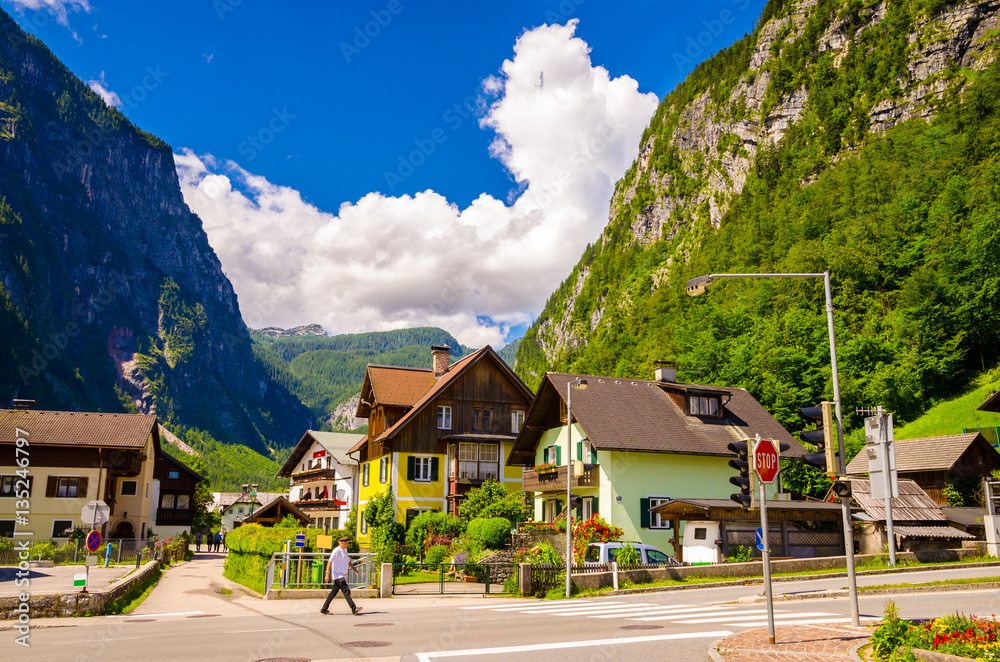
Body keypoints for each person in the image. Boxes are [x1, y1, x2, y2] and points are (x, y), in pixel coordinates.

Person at [320, 536, 361, 616]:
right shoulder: (336, 551)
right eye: (347, 543)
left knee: (333, 593)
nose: (348, 544)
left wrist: (354, 569)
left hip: (342, 576)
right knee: (346, 591)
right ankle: (354, 608)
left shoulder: (345, 550)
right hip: (338, 576)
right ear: (342, 543)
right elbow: (329, 562)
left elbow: (348, 561)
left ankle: (324, 609)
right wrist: (327, 574)